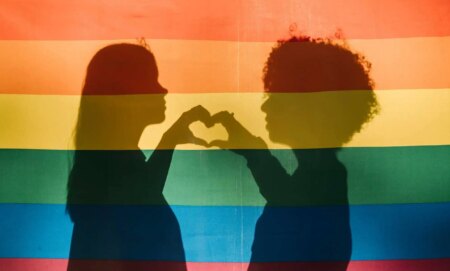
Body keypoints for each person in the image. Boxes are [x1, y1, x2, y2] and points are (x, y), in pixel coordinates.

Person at [210, 36, 379, 270]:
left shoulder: (326, 179)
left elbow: (289, 202)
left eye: (276, 95)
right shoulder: (322, 177)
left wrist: (254, 150)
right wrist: (253, 150)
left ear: (309, 106)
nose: (265, 106)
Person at [66, 43, 211, 271]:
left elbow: (142, 192)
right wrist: (169, 140)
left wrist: (169, 140)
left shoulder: (108, 178)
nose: (163, 90)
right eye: (151, 80)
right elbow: (140, 198)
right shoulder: (115, 187)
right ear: (124, 93)